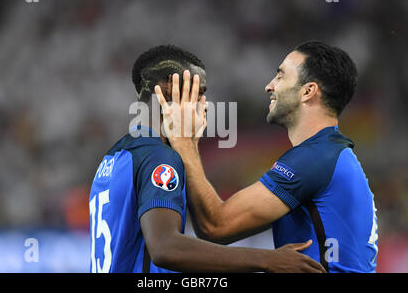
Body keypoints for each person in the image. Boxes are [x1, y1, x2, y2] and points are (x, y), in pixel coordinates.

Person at [89, 44, 325, 273]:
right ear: (171, 89)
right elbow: (165, 248)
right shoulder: (159, 158)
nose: (206, 106)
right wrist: (269, 260)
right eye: (199, 93)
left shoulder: (115, 156)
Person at [155, 41, 378, 273]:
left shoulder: (316, 158)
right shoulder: (329, 154)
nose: (269, 86)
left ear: (308, 91)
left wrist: (183, 141)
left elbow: (215, 226)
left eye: (280, 77)